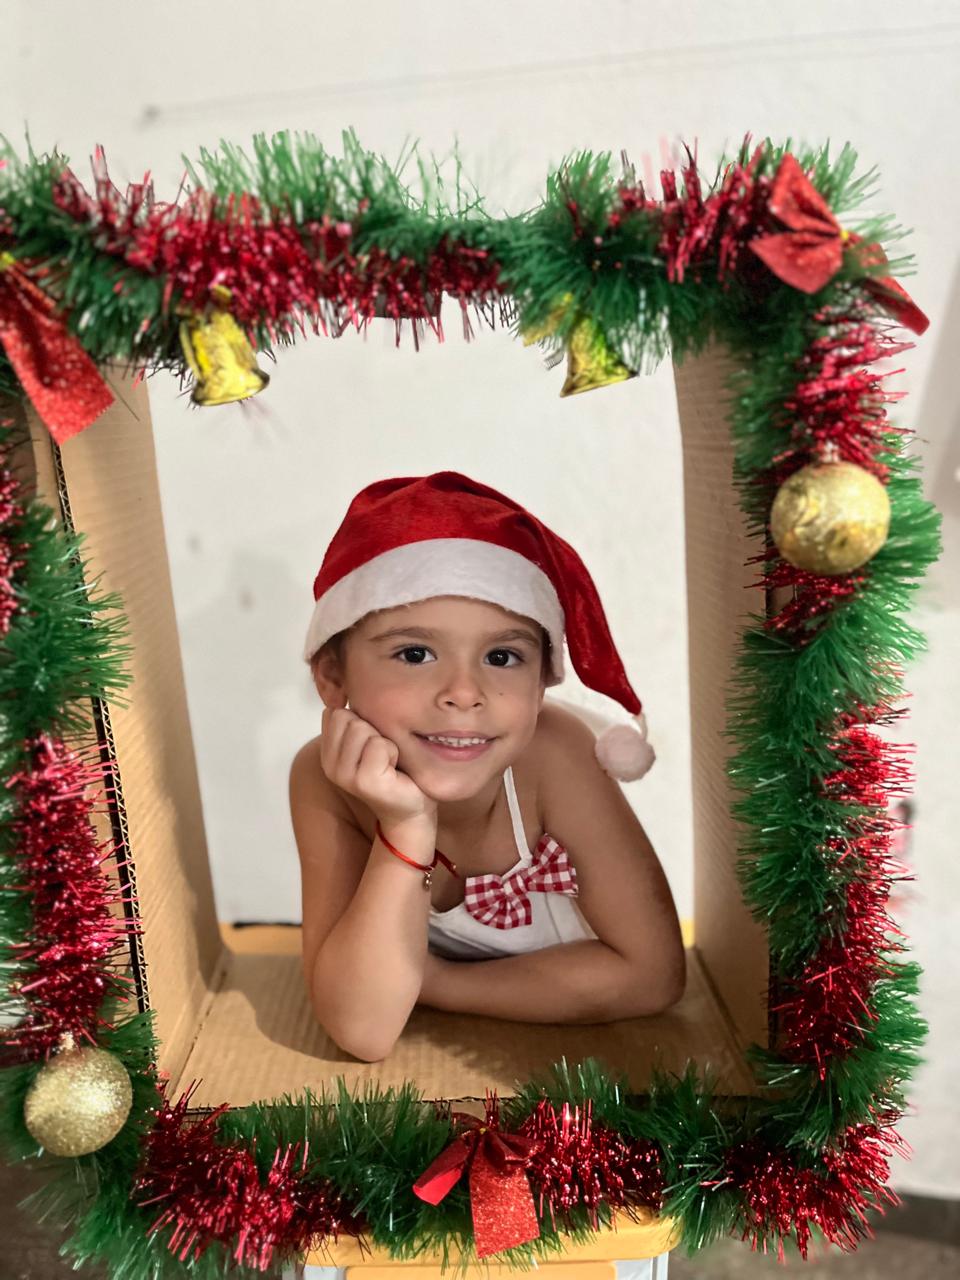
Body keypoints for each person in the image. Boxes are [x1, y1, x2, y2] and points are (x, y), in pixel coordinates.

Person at [289, 471, 685, 1061]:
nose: (464, 692)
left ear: (542, 680)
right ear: (332, 675)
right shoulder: (323, 779)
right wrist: (406, 827)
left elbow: (653, 977)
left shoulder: (555, 756)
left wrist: (436, 983)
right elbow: (363, 1030)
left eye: (501, 656)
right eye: (415, 653)